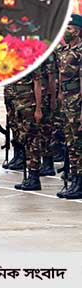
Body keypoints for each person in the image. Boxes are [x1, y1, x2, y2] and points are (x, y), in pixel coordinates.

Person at [57, 15, 82, 198]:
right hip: (66, 100)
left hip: (77, 101)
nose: (68, 31)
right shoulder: (65, 50)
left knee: (78, 142)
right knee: (70, 143)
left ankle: (79, 182)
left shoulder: (80, 52)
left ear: (78, 31)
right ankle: (74, 179)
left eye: (71, 28)